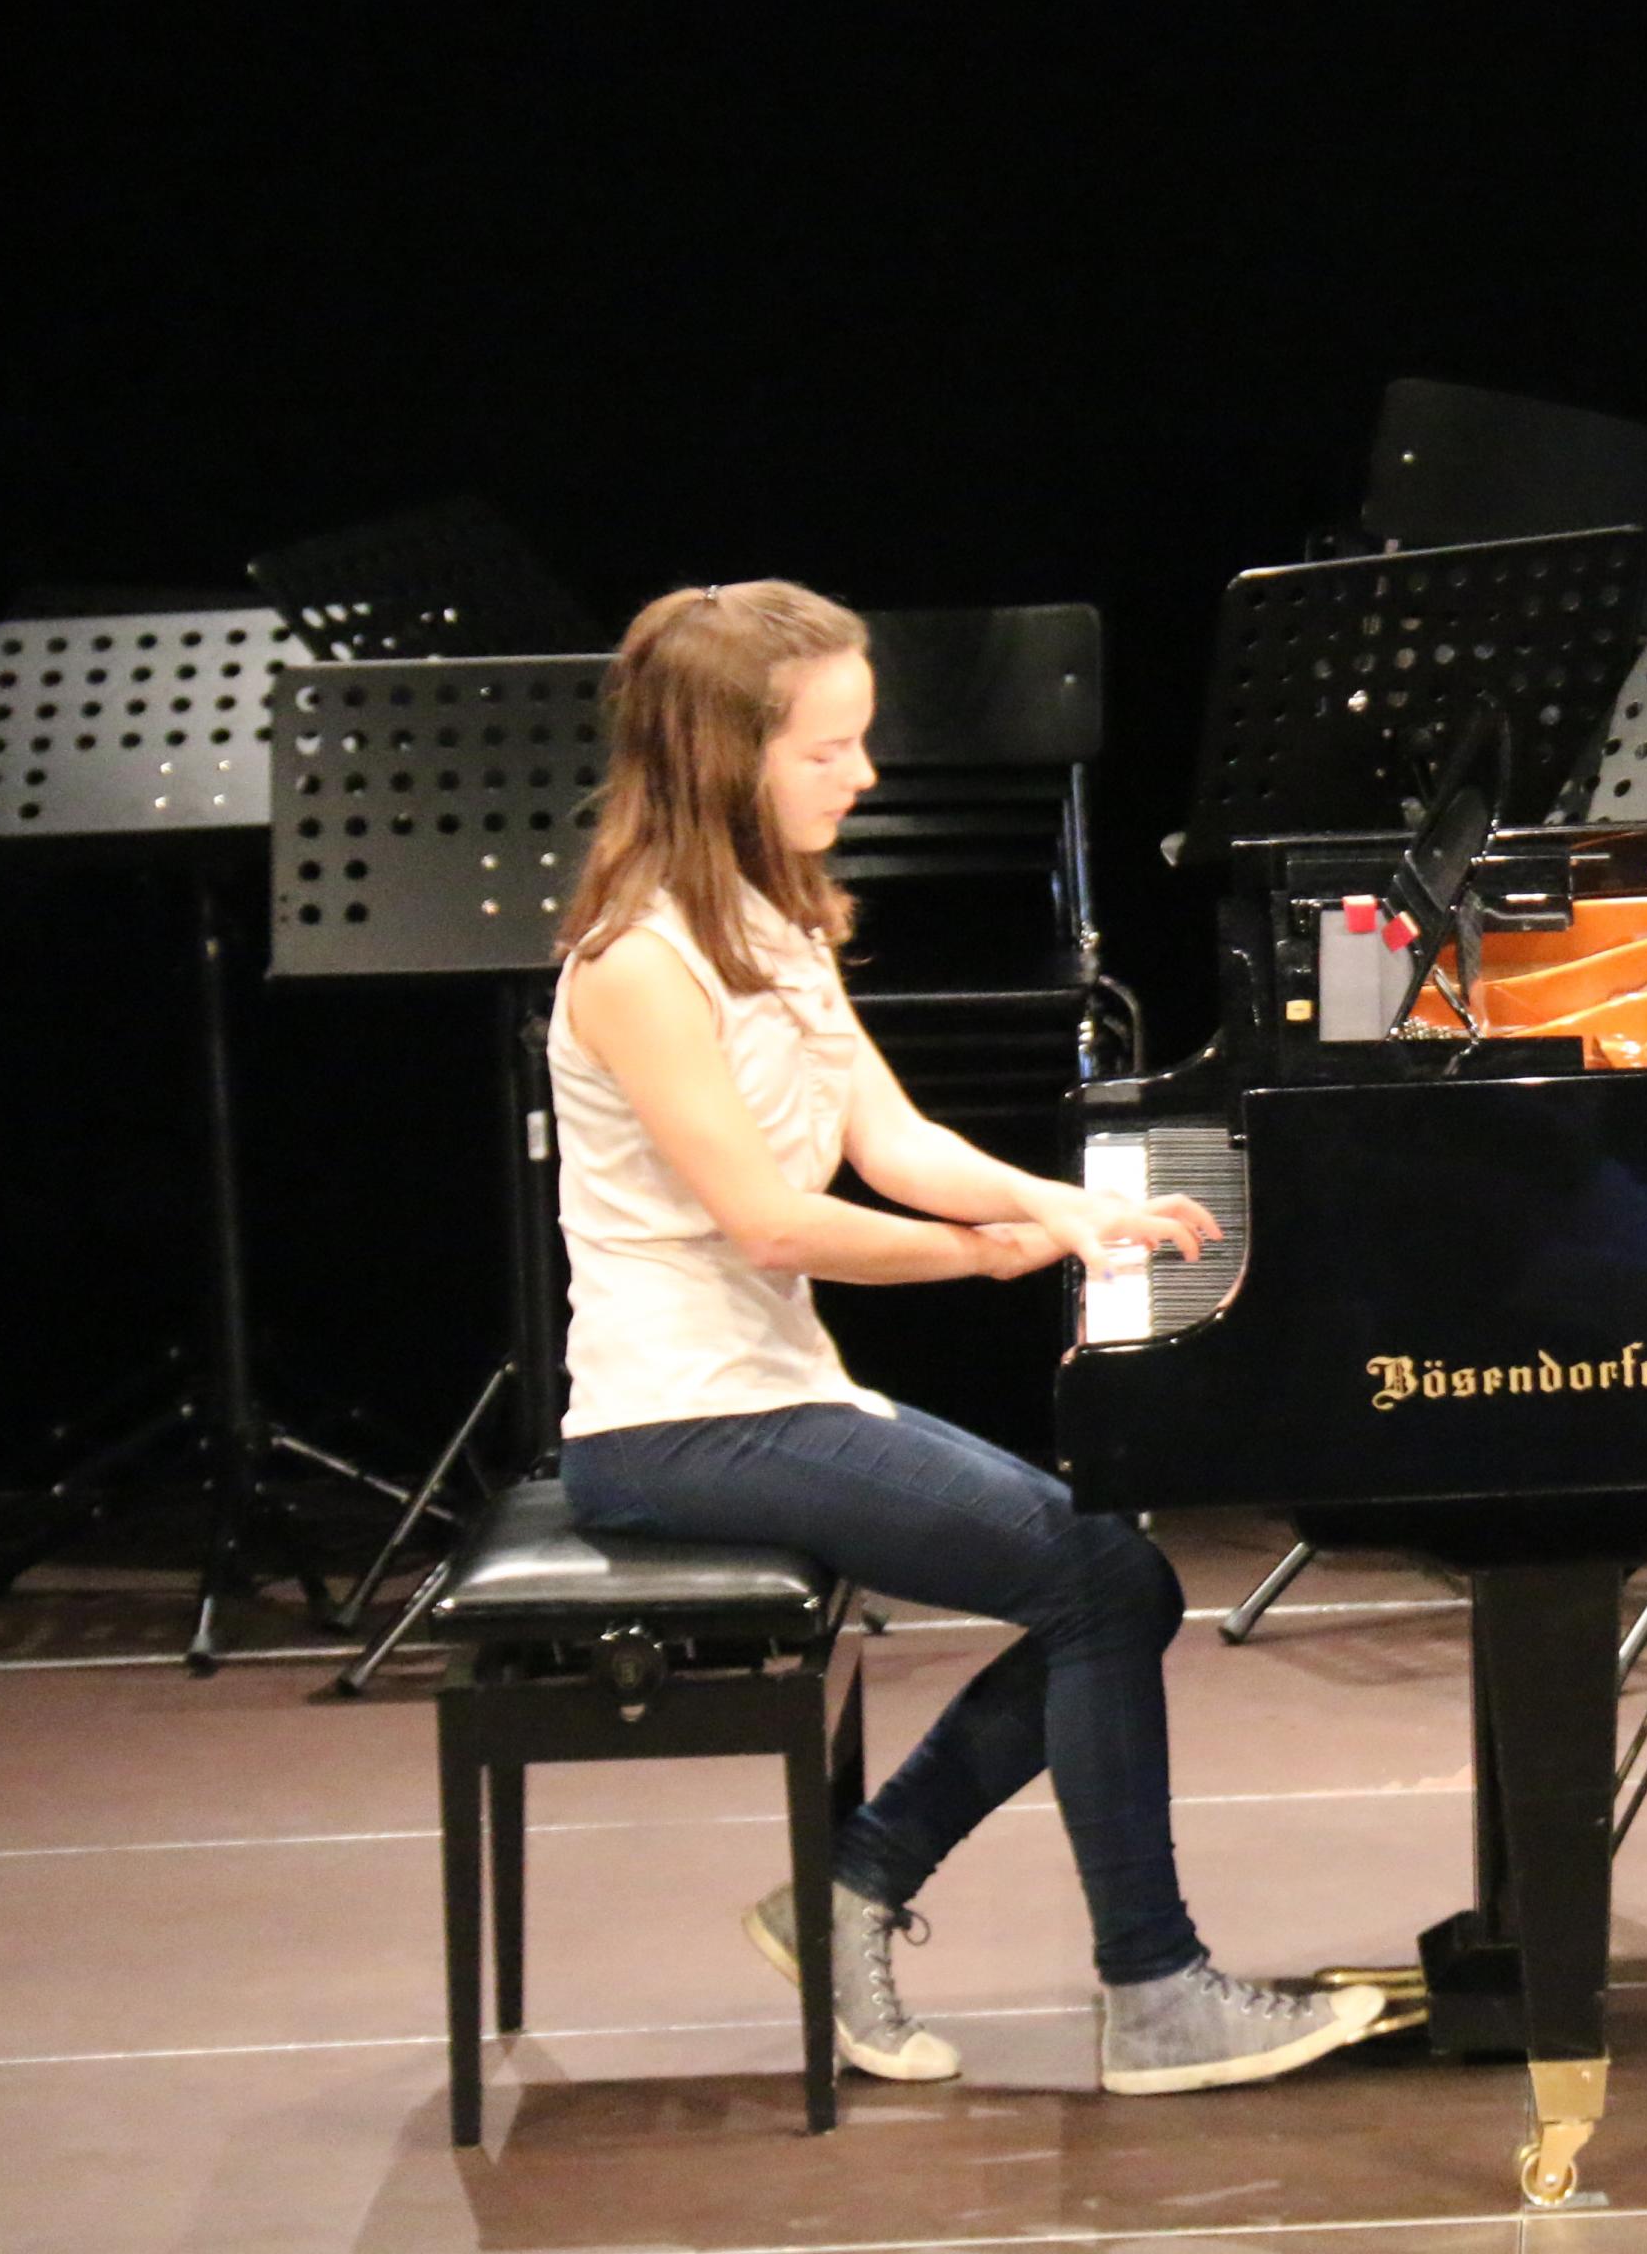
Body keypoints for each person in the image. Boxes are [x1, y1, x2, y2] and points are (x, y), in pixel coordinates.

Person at [546, 579, 1383, 2094]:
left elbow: (896, 1138)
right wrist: (980, 1257)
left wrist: (1067, 1207)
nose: (862, 776)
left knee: (1114, 1581)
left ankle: (857, 1891)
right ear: (724, 758)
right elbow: (773, 1225)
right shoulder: (638, 964)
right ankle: (1150, 1988)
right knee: (1101, 1582)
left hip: (772, 1390)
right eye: (828, 750)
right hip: (671, 1424)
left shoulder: (768, 923)